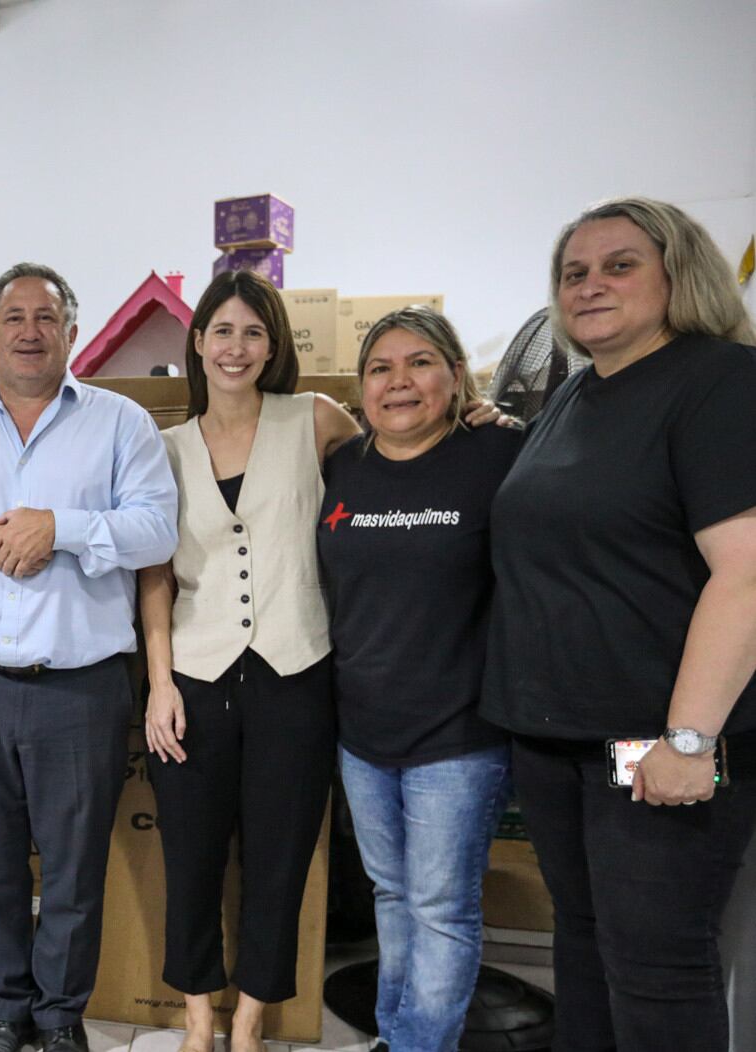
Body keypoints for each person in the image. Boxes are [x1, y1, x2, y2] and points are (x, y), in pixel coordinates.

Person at [482, 197, 756, 1051]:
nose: (589, 285)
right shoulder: (575, 393)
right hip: (555, 736)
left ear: (679, 274)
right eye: (573, 272)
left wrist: (687, 740)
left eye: (618, 265)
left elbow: (746, 573)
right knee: (582, 940)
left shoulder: (718, 382)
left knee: (655, 966)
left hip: (653, 741)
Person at [0, 263, 178, 1052]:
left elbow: (155, 531)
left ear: (71, 334)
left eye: (44, 318)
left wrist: (61, 527)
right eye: (12, 318)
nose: (28, 331)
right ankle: (5, 1009)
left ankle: (58, 1018)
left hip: (80, 688)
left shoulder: (120, 425)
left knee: (73, 867)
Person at [138, 270, 357, 1052]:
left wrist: (472, 414)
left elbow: (404, 458)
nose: (236, 347)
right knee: (190, 855)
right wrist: (158, 684)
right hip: (193, 678)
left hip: (294, 673)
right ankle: (198, 1017)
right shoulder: (163, 449)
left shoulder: (314, 419)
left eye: (253, 333)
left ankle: (250, 1023)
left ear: (272, 347)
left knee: (279, 858)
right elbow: (154, 576)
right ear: (197, 342)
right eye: (222, 331)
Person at [315, 307, 523, 1052]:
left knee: (440, 908)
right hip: (362, 731)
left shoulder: (499, 454)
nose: (398, 381)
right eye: (380, 368)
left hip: (458, 735)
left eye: (420, 363)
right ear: (361, 388)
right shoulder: (342, 466)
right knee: (392, 895)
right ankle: (398, 1037)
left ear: (456, 376)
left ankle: (416, 1044)